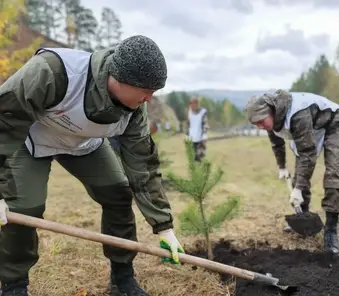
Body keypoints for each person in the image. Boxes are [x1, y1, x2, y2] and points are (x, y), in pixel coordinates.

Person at [0, 35, 184, 296]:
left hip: (84, 145)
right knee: (24, 208)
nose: (149, 99)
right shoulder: (53, 71)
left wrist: (164, 226)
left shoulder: (134, 110)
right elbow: (3, 121)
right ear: (119, 79)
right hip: (30, 141)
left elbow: (142, 164)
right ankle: (14, 285)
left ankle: (122, 278)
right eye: (146, 91)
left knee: (119, 195)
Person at [245, 90, 339, 256]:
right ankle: (304, 218)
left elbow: (308, 153)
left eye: (261, 122)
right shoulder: (271, 119)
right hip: (311, 127)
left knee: (332, 172)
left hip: (332, 122)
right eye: (255, 124)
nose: (260, 126)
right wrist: (282, 167)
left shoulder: (297, 113)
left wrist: (298, 188)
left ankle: (331, 229)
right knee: (299, 174)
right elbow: (277, 144)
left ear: (271, 111)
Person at [186, 96, 209, 161]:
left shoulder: (203, 112)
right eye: (191, 104)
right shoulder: (189, 112)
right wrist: (186, 136)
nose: (192, 105)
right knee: (192, 159)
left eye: (194, 103)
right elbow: (188, 125)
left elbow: (205, 124)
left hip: (200, 140)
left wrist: (205, 135)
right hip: (191, 140)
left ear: (197, 104)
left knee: (200, 159)